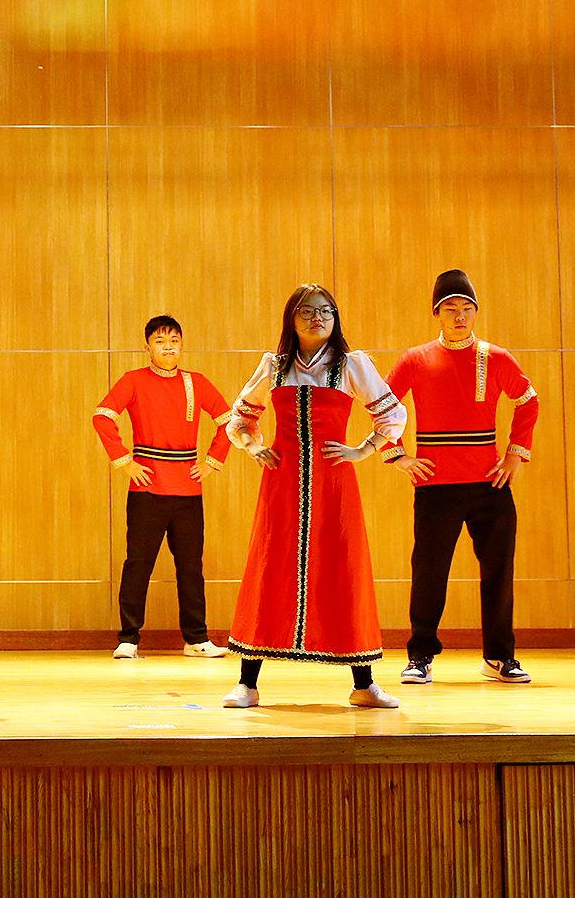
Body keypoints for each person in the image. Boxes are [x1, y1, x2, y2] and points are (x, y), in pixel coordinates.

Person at [221, 283, 406, 710]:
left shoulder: (352, 365)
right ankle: (247, 683)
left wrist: (362, 450)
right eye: (306, 311)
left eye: (325, 311)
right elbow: (241, 417)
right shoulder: (274, 365)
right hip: (282, 484)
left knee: (343, 566)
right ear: (292, 318)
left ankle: (364, 685)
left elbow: (392, 414)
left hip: (334, 483)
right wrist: (253, 446)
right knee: (270, 565)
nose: (317, 318)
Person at [386, 269, 540, 688]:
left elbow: (528, 401)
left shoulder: (496, 357)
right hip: (435, 486)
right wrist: (397, 454)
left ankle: (499, 657)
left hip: (491, 484)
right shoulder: (415, 358)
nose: (459, 316)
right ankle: (420, 656)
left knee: (498, 572)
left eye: (467, 308)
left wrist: (516, 453)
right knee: (429, 572)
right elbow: (383, 404)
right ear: (436, 313)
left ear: (476, 312)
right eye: (450, 309)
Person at [93, 314, 232, 660]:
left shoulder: (196, 382)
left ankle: (197, 638)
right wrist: (124, 460)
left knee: (191, 567)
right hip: (147, 489)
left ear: (182, 345)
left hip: (188, 489)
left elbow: (230, 421)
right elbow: (102, 417)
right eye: (160, 341)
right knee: (138, 564)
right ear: (148, 347)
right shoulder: (133, 380)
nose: (168, 347)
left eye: (174, 341)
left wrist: (212, 461)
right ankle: (128, 638)